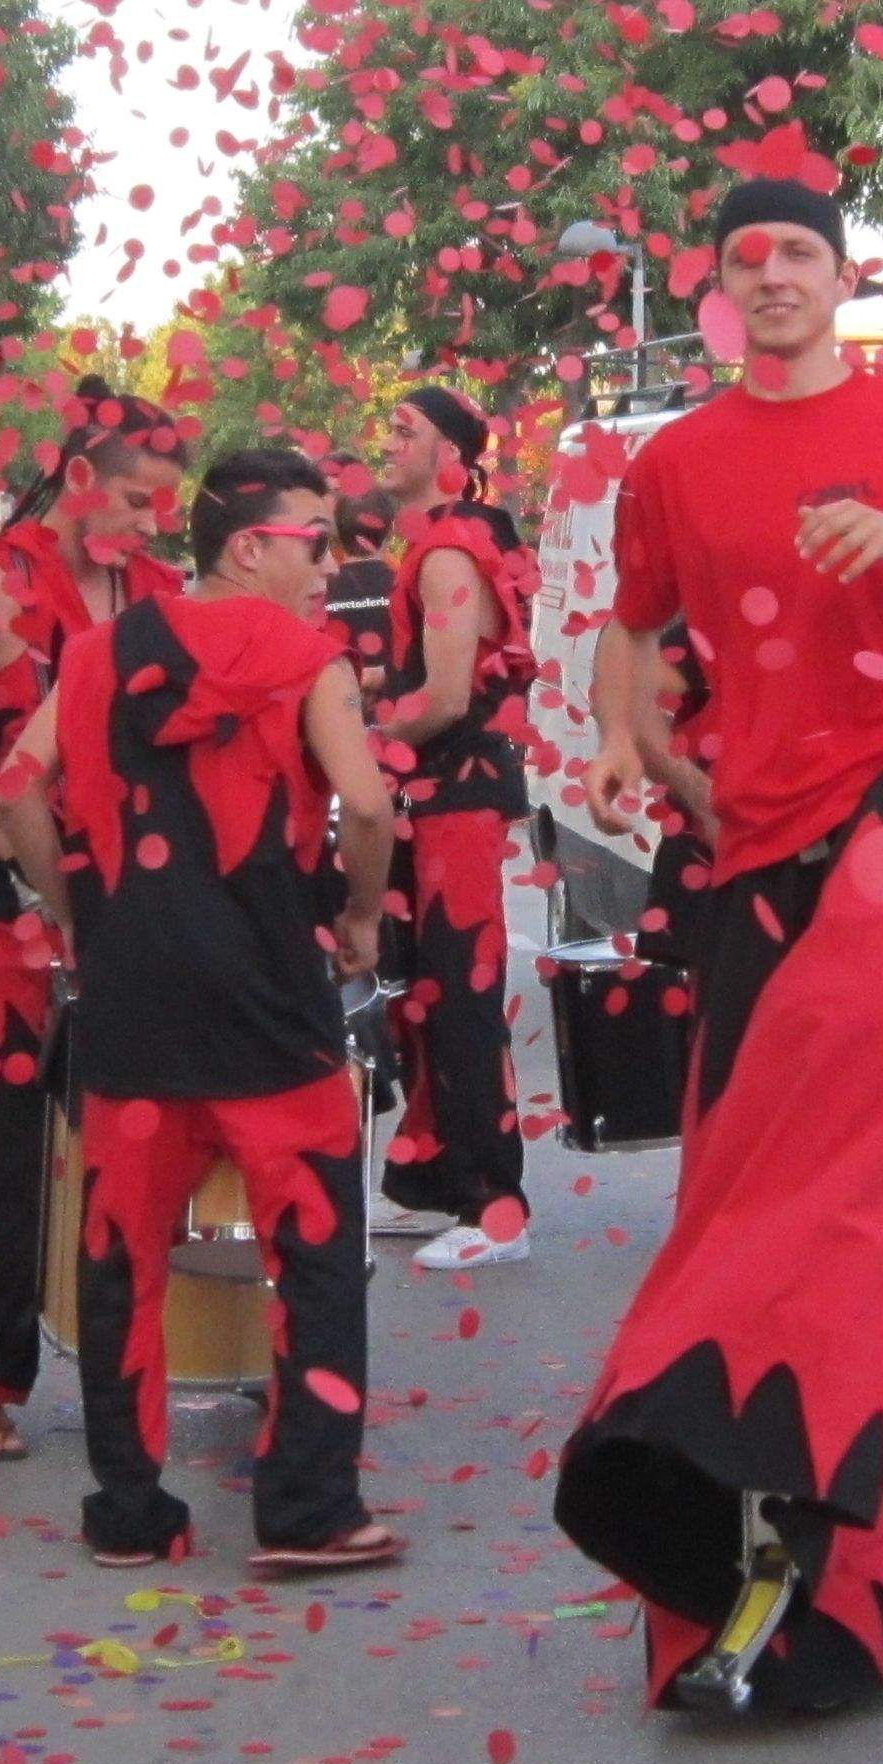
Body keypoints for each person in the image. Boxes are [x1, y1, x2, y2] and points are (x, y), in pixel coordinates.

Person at [556, 165, 883, 1716]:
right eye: (742, 260)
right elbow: (629, 625)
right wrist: (634, 740)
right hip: (760, 834)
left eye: (796, 256)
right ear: (718, 292)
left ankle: (732, 1435)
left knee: (859, 1115)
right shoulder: (675, 466)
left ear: (840, 282)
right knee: (756, 1171)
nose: (769, 278)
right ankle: (868, 1585)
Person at [0, 447, 402, 1571]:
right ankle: (309, 1508)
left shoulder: (92, 654)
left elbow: (16, 785)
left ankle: (129, 1510)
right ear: (247, 545)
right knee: (310, 1251)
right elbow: (362, 804)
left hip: (132, 1005)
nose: (333, 565)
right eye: (315, 542)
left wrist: (73, 909)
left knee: (123, 1256)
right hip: (270, 1006)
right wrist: (361, 915)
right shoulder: (307, 658)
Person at [0, 378, 189, 1463]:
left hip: (132, 902)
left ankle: (152, 1363)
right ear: (76, 481)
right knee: (6, 1155)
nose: (153, 528)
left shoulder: (155, 587)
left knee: (144, 1141)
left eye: (163, 510)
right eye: (139, 503)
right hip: (12, 907)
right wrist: (3, 844)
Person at [368, 382, 540, 1268]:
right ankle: (439, 1177)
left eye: (404, 432)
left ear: (449, 457)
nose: (384, 443)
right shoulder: (435, 549)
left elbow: (443, 697)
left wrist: (365, 736)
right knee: (431, 992)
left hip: (457, 801)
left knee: (463, 997)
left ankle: (493, 1202)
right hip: (436, 799)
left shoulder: (444, 555)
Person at [321, 474, 396, 683]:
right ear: (391, 529)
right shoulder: (408, 586)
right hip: (398, 708)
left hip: (334, 705)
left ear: (338, 531)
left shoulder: (317, 591)